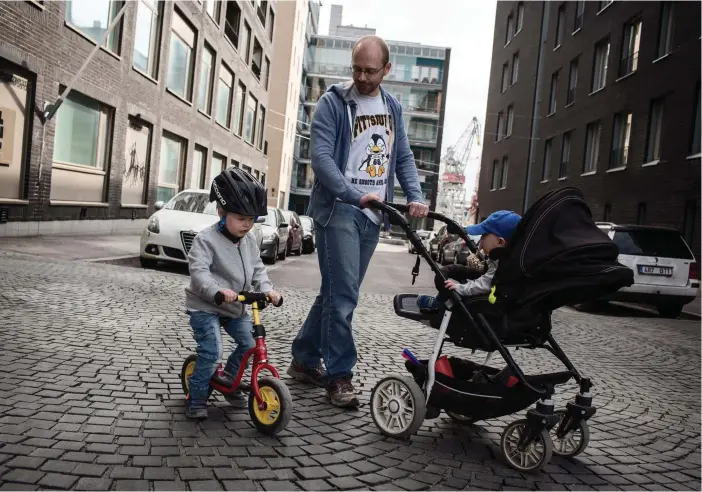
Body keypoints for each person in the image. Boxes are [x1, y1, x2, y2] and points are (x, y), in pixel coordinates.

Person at [288, 35, 430, 408]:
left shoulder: (392, 107)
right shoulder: (333, 103)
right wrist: (354, 195)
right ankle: (339, 375)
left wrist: (414, 195)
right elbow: (321, 159)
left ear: (387, 69)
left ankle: (303, 358)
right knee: (344, 294)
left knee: (335, 291)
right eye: (357, 69)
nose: (363, 77)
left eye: (370, 70)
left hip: (373, 215)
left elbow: (402, 157)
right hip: (339, 210)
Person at [184, 168, 281, 420]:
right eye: (240, 218)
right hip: (206, 306)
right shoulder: (205, 240)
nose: (247, 224)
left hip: (235, 308)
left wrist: (267, 290)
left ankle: (230, 380)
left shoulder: (249, 241)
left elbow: (258, 269)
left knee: (250, 343)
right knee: (212, 350)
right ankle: (197, 396)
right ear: (221, 212)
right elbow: (199, 272)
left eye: (251, 219)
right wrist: (217, 291)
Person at [416, 210, 522, 312]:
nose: (481, 238)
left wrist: (459, 288)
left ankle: (438, 305)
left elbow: (483, 285)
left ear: (500, 242)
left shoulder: (501, 264)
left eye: (484, 235)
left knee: (452, 289)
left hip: (490, 305)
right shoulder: (511, 259)